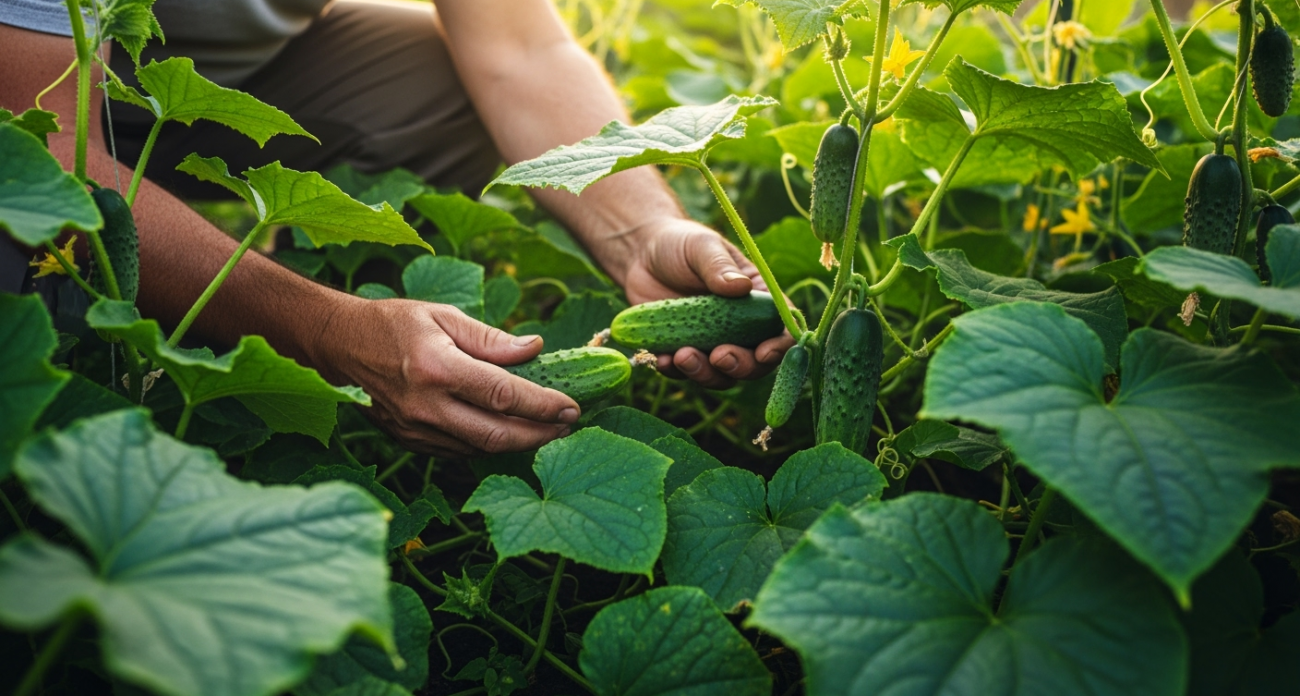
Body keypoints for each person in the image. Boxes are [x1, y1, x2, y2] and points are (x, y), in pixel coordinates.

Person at [0, 0, 793, 457]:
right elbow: (49, 157)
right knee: (26, 247)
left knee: (433, 74)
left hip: (193, 79)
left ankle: (327, 284)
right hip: (33, 103)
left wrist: (642, 231)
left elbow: (522, 51)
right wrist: (321, 328)